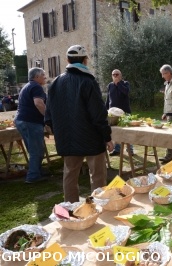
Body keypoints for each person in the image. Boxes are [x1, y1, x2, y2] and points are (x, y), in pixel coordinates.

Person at [45, 45, 113, 203]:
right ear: (85, 60)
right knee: (97, 176)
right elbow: (98, 114)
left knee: (70, 175)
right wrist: (107, 136)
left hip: (67, 139)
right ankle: (99, 208)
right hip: (91, 138)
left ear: (67, 60)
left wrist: (59, 132)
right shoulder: (88, 81)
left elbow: (48, 116)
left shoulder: (55, 83)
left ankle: (71, 211)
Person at [14, 67, 47, 184]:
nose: (45, 77)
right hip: (30, 121)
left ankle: (37, 171)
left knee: (34, 148)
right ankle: (33, 176)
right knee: (36, 150)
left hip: (22, 120)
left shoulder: (28, 86)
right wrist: (46, 117)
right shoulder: (36, 87)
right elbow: (38, 103)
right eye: (43, 75)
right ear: (36, 77)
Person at [105, 69, 134, 156]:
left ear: (120, 75)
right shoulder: (110, 85)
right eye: (113, 74)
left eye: (117, 74)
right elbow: (108, 99)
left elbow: (126, 92)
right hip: (113, 114)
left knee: (127, 131)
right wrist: (105, 110)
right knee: (115, 132)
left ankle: (130, 149)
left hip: (125, 112)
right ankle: (117, 149)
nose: (115, 76)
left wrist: (118, 84)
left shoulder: (125, 84)